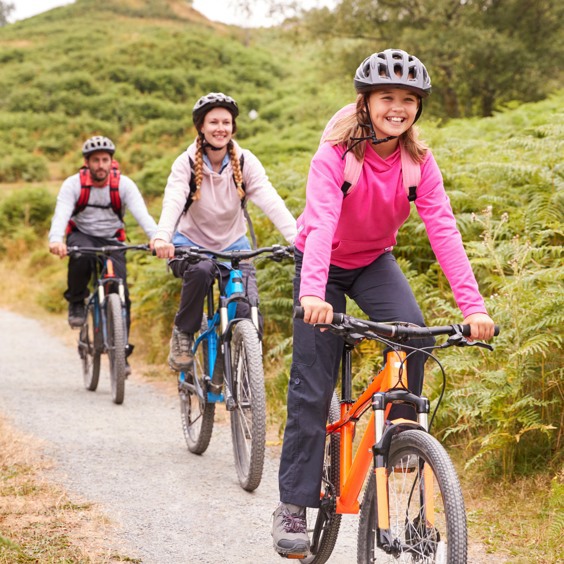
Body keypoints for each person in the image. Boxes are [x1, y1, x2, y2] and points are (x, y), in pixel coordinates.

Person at [271, 48, 496, 558]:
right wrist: (311, 294)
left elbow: (444, 231)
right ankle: (293, 506)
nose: (398, 107)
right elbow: (322, 222)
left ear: (418, 108)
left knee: (413, 335)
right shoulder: (335, 155)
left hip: (373, 261)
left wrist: (473, 307)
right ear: (366, 102)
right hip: (320, 263)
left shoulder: (418, 161)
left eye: (408, 100)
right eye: (386, 97)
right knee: (311, 386)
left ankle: (401, 457)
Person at [152, 92, 296, 372]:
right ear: (201, 127)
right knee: (202, 270)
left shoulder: (245, 161)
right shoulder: (185, 163)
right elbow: (173, 199)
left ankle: (241, 373)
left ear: (233, 127)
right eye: (214, 122)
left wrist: (298, 237)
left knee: (247, 312)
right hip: (190, 244)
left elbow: (270, 200)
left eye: (226, 122)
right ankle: (183, 333)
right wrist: (162, 236)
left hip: (234, 245)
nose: (221, 128)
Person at [48, 136, 157, 357]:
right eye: (95, 160)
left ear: (111, 161)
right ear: (86, 162)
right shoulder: (73, 184)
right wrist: (56, 240)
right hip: (83, 235)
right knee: (80, 256)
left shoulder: (124, 185)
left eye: (105, 160)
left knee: (122, 292)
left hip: (112, 239)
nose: (100, 165)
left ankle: (121, 354)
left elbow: (142, 214)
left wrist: (157, 238)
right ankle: (77, 301)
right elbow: (61, 214)